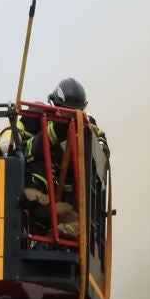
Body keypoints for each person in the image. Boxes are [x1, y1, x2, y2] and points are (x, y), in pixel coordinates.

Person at [21, 78, 98, 240]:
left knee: (81, 223)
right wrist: (60, 128)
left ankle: (61, 234)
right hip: (33, 192)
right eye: (66, 111)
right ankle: (58, 234)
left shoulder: (85, 124)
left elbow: (99, 136)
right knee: (68, 216)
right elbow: (23, 150)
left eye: (76, 111)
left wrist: (101, 144)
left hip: (58, 197)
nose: (71, 116)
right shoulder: (36, 117)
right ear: (56, 103)